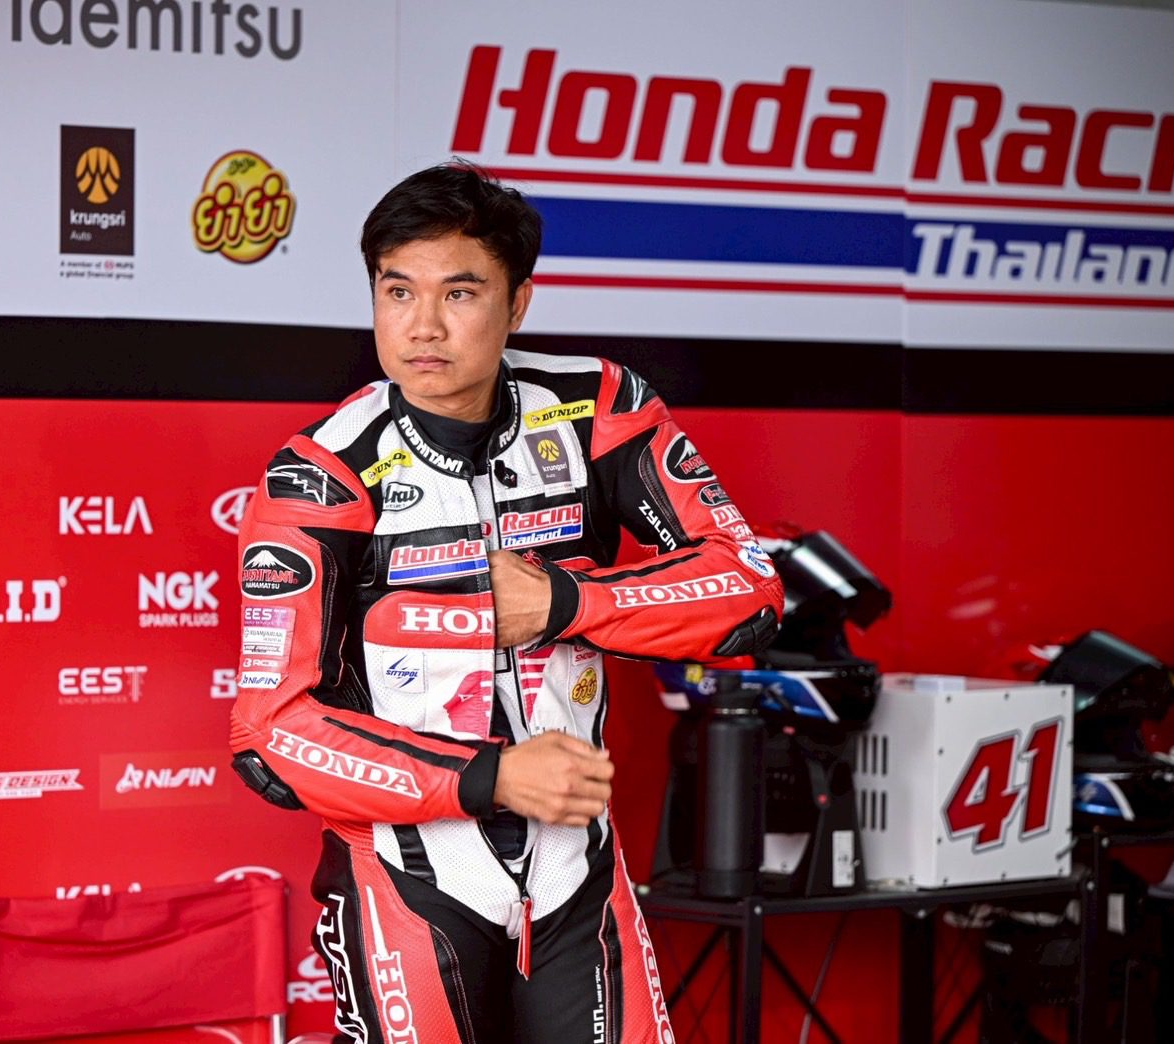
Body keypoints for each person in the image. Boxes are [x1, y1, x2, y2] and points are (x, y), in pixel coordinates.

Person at [229, 163, 785, 1044]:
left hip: (575, 867)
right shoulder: (322, 472)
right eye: (398, 291)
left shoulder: (596, 407)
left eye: (459, 292)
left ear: (517, 302)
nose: (423, 325)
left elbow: (747, 590)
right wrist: (487, 777)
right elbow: (269, 735)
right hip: (409, 872)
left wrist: (564, 602)